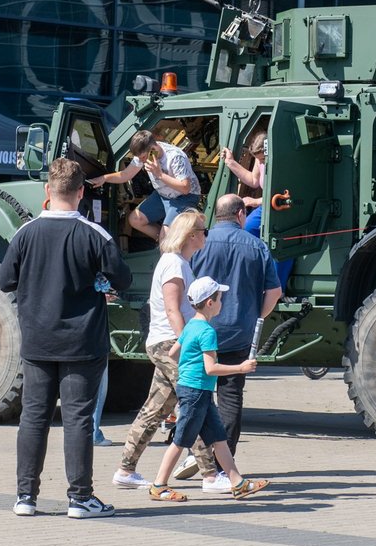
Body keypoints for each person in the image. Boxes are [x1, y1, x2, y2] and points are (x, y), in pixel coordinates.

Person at [0, 158, 132, 518]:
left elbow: (6, 280)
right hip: (82, 343)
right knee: (77, 418)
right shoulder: (94, 234)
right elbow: (123, 279)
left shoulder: (24, 233)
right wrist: (99, 283)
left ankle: (25, 497)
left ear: (48, 191)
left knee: (33, 417)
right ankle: (80, 498)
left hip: (38, 341)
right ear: (81, 192)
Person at [112, 210, 224, 492]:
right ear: (192, 235)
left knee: (155, 408)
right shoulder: (175, 264)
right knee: (196, 403)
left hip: (165, 343)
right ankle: (211, 475)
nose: (206, 234)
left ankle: (126, 469)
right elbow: (174, 310)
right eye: (202, 229)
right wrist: (187, 345)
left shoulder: (179, 262)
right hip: (170, 343)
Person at [147, 277, 270, 502]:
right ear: (210, 303)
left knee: (219, 437)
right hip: (195, 392)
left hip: (194, 390)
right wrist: (240, 368)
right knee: (181, 440)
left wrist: (188, 366)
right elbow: (211, 368)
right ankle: (159, 485)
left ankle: (237, 483)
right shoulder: (207, 332)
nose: (222, 302)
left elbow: (174, 353)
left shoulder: (191, 326)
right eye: (220, 298)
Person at [190, 194, 281, 472]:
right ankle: (221, 466)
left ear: (216, 214)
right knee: (230, 400)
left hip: (202, 328)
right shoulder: (257, 246)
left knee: (196, 395)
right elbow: (274, 291)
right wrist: (256, 317)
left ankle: (195, 455)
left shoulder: (200, 244)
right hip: (239, 333)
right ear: (241, 214)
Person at [88, 129, 201, 241]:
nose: (142, 161)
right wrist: (104, 178)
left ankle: (168, 243)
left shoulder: (175, 157)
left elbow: (185, 188)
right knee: (135, 219)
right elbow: (126, 175)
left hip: (184, 197)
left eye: (143, 158)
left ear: (152, 149)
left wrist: (159, 174)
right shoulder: (145, 155)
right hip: (163, 195)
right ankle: (166, 242)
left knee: (165, 235)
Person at [221, 131, 293, 290]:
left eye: (262, 159)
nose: (260, 162)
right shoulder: (259, 159)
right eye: (258, 159)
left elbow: (281, 193)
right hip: (265, 207)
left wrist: (255, 201)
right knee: (245, 230)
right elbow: (254, 180)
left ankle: (277, 288)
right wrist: (231, 162)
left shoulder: (282, 160)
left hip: (282, 206)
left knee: (281, 242)